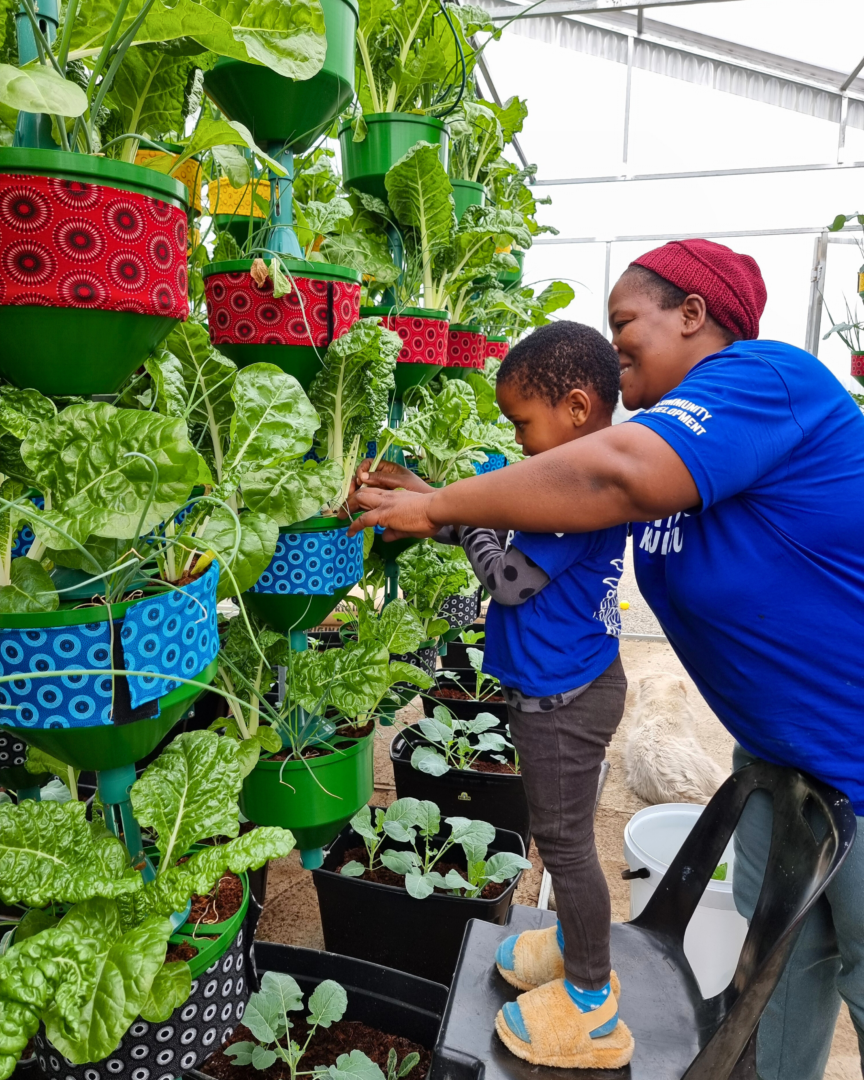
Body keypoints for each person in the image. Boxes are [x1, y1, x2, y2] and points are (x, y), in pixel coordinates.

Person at [349, 239, 864, 1080]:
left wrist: (442, 506)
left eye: (627, 327)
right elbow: (547, 478)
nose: (616, 355)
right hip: (783, 765)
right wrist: (432, 500)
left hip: (859, 764)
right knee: (775, 980)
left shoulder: (765, 379)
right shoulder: (678, 445)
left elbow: (611, 479)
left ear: (693, 315)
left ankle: (589, 999)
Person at [358, 323, 634, 1069]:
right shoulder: (573, 469)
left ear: (576, 406)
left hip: (565, 703)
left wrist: (461, 511)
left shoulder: (579, 485)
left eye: (521, 420)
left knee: (569, 849)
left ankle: (590, 1001)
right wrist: (429, 498)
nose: (516, 436)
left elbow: (509, 579)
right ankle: (575, 948)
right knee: (565, 840)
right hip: (570, 688)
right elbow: (493, 532)